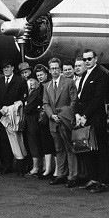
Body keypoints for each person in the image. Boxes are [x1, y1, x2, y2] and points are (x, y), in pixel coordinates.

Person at [74, 49, 109, 193]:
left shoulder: (101, 75)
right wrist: (78, 114)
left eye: (89, 59)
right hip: (84, 119)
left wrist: (84, 116)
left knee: (101, 150)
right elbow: (80, 98)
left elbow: (97, 99)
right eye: (84, 59)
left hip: (96, 119)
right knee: (89, 150)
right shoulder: (84, 74)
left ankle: (103, 181)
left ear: (96, 59)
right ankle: (93, 178)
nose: (87, 61)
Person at [43, 57, 79, 187]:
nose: (54, 71)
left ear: (60, 69)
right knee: (59, 149)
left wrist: (63, 115)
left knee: (69, 148)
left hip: (65, 121)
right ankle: (61, 174)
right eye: (52, 68)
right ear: (49, 70)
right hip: (53, 122)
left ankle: (72, 175)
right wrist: (51, 115)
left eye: (56, 68)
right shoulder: (47, 86)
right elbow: (45, 103)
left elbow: (74, 101)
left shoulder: (69, 82)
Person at [0, 60, 28, 174]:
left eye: (8, 67)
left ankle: (21, 166)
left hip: (15, 116)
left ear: (12, 68)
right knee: (4, 141)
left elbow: (23, 98)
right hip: (3, 116)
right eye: (4, 68)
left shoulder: (20, 81)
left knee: (18, 140)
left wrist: (13, 108)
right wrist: (0, 109)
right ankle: (7, 166)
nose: (6, 69)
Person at [33, 64, 56, 178]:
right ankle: (47, 169)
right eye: (38, 75)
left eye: (41, 75)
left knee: (54, 144)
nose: (40, 77)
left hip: (50, 117)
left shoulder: (49, 85)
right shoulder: (40, 87)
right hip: (43, 119)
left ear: (46, 74)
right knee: (46, 143)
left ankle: (56, 170)